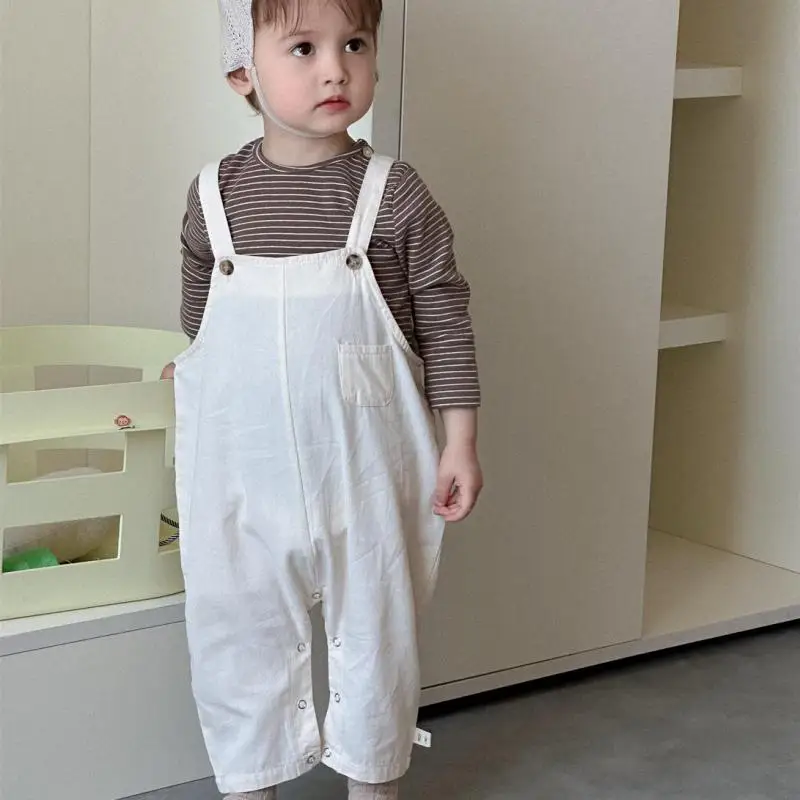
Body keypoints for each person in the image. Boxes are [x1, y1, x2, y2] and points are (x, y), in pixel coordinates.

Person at [161, 0, 482, 797]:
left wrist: (460, 439)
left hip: (364, 476)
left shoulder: (394, 196)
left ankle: (374, 782)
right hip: (243, 473)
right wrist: (193, 366)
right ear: (243, 71)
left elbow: (445, 319)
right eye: (303, 48)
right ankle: (251, 782)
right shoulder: (213, 199)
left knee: (376, 637)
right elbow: (202, 321)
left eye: (356, 44)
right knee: (237, 632)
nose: (336, 68)